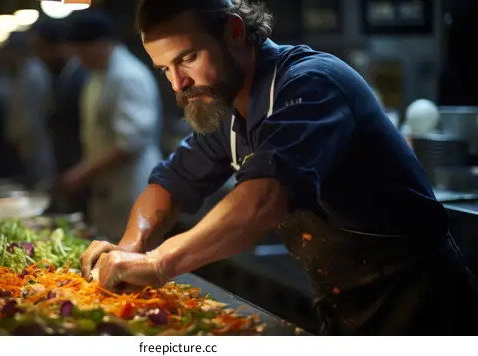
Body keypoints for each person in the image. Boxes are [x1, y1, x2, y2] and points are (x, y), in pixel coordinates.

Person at [80, 0, 478, 335]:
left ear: (234, 32)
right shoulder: (226, 107)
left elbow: (263, 200)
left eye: (187, 58)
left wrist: (157, 263)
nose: (178, 84)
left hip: (422, 307)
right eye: (165, 69)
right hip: (344, 307)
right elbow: (170, 183)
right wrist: (129, 249)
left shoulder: (310, 84)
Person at [61, 10, 164, 240]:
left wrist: (82, 174)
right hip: (106, 192)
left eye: (82, 51)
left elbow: (129, 145)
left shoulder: (128, 76)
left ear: (101, 44)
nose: (79, 59)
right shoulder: (97, 75)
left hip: (131, 190)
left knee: (133, 260)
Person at [31, 18, 90, 213]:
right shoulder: (60, 75)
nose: (39, 55)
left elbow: (82, 128)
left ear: (59, 46)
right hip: (67, 166)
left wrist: (80, 171)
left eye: (41, 48)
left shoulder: (80, 76)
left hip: (81, 167)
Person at [0, 31, 56, 189]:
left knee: (40, 189)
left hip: (35, 145)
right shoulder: (21, 72)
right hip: (24, 147)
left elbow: (31, 117)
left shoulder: (33, 74)